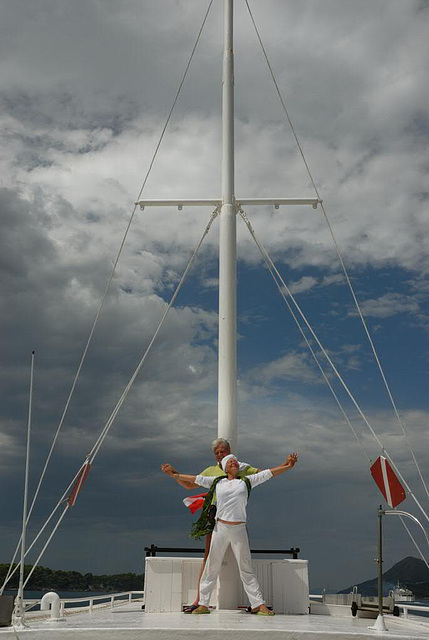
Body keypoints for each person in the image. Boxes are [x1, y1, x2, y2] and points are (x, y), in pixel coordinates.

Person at [162, 451, 298, 615]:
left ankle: (258, 604)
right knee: (212, 567)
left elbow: (268, 473)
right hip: (220, 528)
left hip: (239, 529)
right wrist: (174, 474)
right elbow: (194, 479)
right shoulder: (217, 482)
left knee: (246, 568)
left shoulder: (247, 481)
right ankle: (203, 604)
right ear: (225, 467)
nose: (234, 462)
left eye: (235, 461)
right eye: (230, 461)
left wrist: (288, 466)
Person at [161, 438, 258, 612]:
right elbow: (189, 485)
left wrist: (284, 465)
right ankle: (200, 601)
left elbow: (260, 473)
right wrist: (174, 473)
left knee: (244, 562)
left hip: (237, 521)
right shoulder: (211, 471)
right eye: (217, 452)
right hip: (215, 519)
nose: (220, 455)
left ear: (229, 452)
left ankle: (257, 602)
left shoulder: (240, 468)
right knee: (209, 560)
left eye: (223, 451)